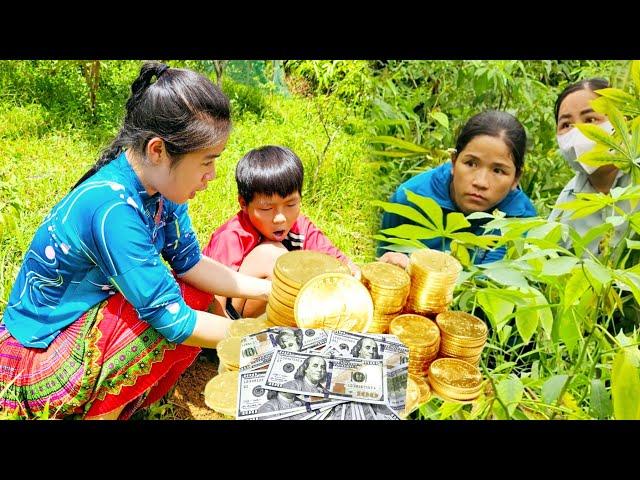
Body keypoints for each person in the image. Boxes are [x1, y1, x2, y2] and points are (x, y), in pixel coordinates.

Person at [0, 62, 271, 420]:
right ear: (158, 150)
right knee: (159, 316)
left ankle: (117, 404)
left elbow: (190, 263)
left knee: (194, 293)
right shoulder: (112, 209)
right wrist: (267, 340)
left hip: (80, 329)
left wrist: (272, 292)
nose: (212, 176)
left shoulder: (160, 190)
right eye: (206, 161)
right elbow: (172, 319)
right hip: (33, 360)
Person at [202, 145, 360, 319]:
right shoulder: (231, 236)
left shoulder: (301, 227)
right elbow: (213, 300)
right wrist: (226, 336)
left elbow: (342, 266)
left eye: (291, 205)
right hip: (224, 318)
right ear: (244, 204)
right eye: (267, 208)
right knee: (271, 255)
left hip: (269, 307)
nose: (280, 218)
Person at [377, 110, 537, 268]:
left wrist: (416, 270)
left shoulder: (520, 221)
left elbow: (487, 285)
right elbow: (384, 261)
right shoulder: (410, 198)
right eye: (471, 164)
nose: (480, 182)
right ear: (454, 162)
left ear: (516, 178)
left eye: (498, 171)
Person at [548, 78, 637, 255]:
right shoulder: (568, 197)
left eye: (590, 119)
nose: (578, 132)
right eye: (566, 124)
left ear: (621, 124)